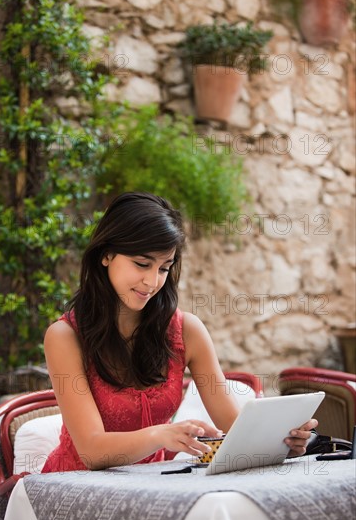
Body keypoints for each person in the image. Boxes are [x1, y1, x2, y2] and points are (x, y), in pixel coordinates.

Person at [42, 192, 317, 472]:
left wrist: (283, 441)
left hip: (151, 486)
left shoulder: (186, 331)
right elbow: (92, 451)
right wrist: (160, 435)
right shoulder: (65, 336)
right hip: (70, 486)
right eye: (142, 264)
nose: (152, 281)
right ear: (106, 255)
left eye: (164, 268)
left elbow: (235, 428)